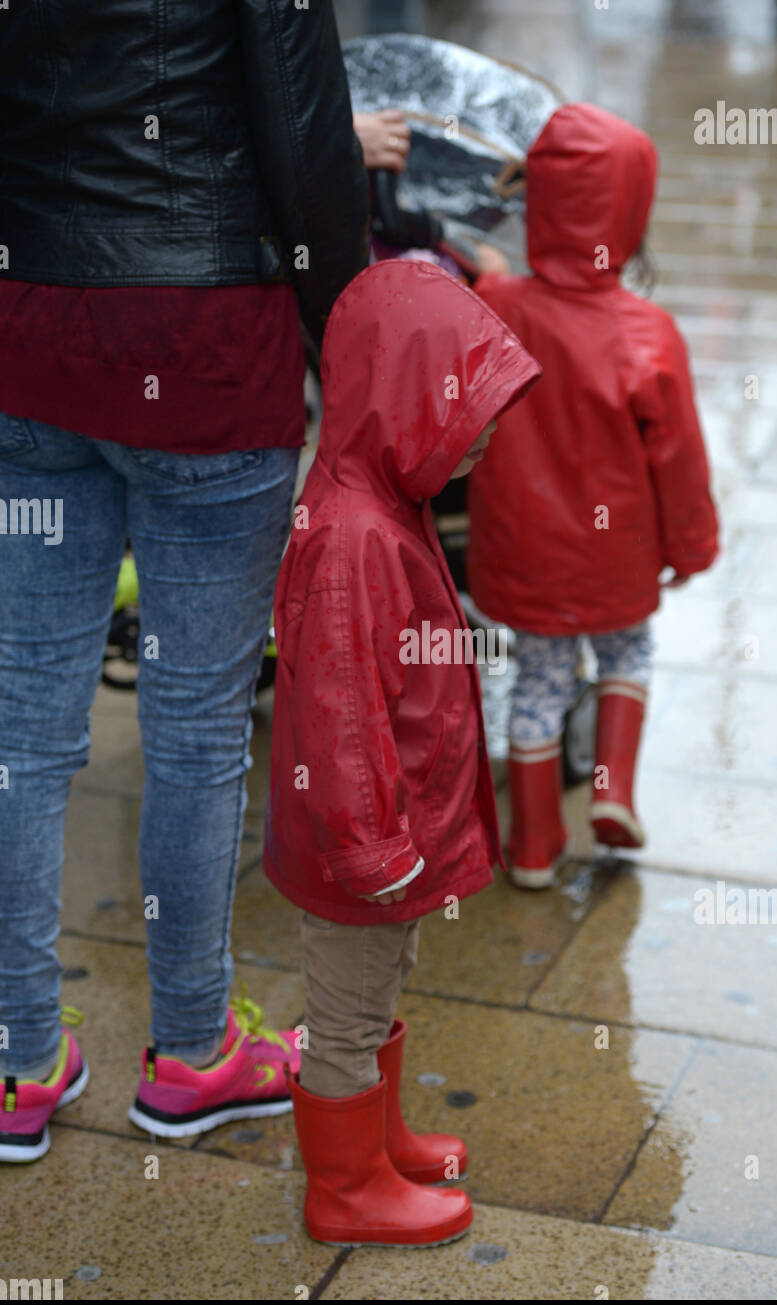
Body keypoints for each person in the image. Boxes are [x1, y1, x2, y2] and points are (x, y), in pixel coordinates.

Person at [0, 0, 369, 1161]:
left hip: (32, 329)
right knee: (197, 727)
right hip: (206, 341)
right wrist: (343, 332)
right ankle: (196, 1050)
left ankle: (18, 1060)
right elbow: (307, 143)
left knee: (23, 716)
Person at [263, 258, 541, 1246]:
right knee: (343, 1012)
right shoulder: (354, 537)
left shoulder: (383, 501)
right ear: (404, 405)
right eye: (468, 426)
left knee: (375, 985)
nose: (483, 445)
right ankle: (344, 1191)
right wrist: (376, 849)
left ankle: (375, 1146)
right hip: (359, 848)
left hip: (383, 838)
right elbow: (341, 716)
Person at [467, 104, 719, 888]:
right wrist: (690, 546)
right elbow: (677, 460)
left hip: (524, 550)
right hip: (616, 555)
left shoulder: (497, 307)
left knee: (538, 682)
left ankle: (534, 846)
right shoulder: (648, 334)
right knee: (628, 652)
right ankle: (610, 789)